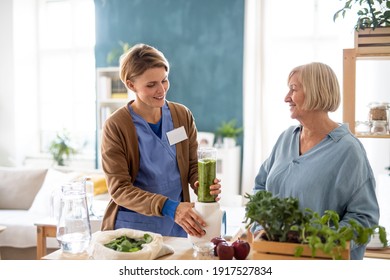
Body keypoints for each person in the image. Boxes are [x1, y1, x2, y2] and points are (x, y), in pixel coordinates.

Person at [252, 62, 379, 260]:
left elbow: (364, 219)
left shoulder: (349, 150)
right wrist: (260, 226)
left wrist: (320, 240)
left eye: (293, 89)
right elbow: (260, 186)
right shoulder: (286, 138)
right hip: (275, 256)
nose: (286, 98)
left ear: (315, 92)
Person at [100, 43, 221, 238]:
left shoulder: (182, 115)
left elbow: (191, 165)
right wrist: (170, 207)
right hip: (134, 228)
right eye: (151, 85)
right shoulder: (116, 126)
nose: (161, 90)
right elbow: (119, 189)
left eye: (164, 80)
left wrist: (199, 182)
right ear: (131, 85)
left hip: (178, 225)